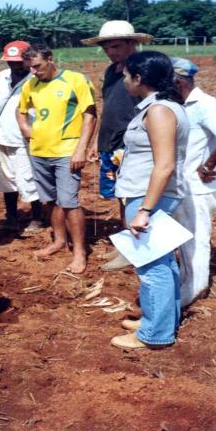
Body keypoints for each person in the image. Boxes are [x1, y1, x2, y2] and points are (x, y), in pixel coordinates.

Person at [110, 51, 189, 350]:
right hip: (149, 193)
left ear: (139, 78)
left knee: (152, 266)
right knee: (163, 263)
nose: (126, 81)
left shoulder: (158, 111)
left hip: (149, 196)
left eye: (127, 76)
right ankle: (160, 319)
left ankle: (155, 334)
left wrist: (144, 210)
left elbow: (164, 164)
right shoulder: (163, 107)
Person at [17, 44, 96, 273]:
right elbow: (20, 109)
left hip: (66, 152)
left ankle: (80, 251)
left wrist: (82, 148)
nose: (33, 71)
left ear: (50, 59)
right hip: (39, 151)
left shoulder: (75, 80)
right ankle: (59, 241)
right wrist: (24, 127)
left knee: (69, 202)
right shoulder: (31, 84)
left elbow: (90, 115)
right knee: (50, 201)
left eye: (37, 66)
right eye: (29, 68)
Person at [172, 58, 216, 307]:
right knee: (184, 239)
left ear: (178, 81)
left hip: (198, 188)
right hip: (183, 186)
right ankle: (185, 282)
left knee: (196, 239)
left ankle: (195, 288)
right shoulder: (180, 104)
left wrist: (208, 165)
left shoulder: (204, 104)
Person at [83, 21, 153, 271]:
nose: (111, 52)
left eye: (116, 46)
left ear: (132, 43)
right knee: (120, 196)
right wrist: (98, 142)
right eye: (106, 48)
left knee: (134, 196)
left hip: (134, 143)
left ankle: (137, 248)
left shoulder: (144, 70)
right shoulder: (112, 72)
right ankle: (128, 245)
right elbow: (108, 107)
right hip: (112, 143)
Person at [0, 40, 42, 234]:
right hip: (1, 135)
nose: (14, 66)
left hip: (25, 137)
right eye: (10, 62)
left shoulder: (36, 79)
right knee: (5, 179)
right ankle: (11, 216)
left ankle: (37, 217)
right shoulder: (1, 77)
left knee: (28, 179)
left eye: (19, 62)